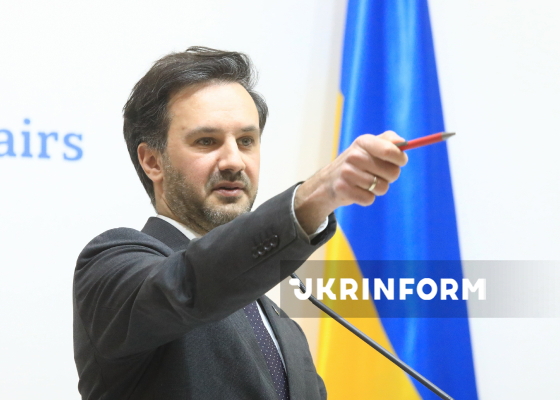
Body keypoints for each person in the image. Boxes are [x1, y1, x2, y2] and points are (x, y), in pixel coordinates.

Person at [73, 46, 407, 400]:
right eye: (206, 141)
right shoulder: (112, 268)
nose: (234, 161)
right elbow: (191, 282)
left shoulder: (284, 330)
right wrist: (313, 198)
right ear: (152, 161)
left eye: (246, 141)